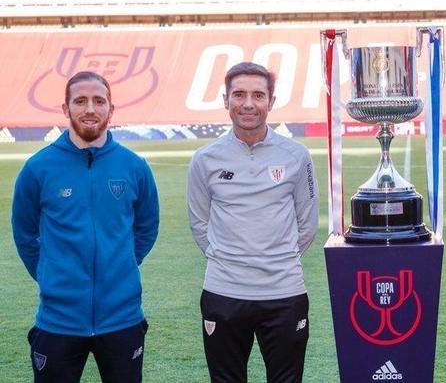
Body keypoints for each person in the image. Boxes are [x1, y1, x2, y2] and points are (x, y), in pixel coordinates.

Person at [12, 71, 160, 383]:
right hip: (58, 320)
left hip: (122, 318)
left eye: (98, 101)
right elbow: (24, 233)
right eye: (80, 101)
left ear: (111, 109)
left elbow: (147, 226)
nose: (90, 109)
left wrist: (122, 263)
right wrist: (49, 273)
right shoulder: (37, 168)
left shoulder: (134, 166)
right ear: (65, 108)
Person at [187, 61, 319, 382]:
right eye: (239, 94)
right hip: (223, 292)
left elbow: (307, 224)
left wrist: (276, 260)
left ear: (271, 101)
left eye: (258, 95)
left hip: (284, 292)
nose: (248, 103)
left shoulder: (296, 155)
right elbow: (199, 224)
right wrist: (230, 261)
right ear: (226, 100)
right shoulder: (205, 159)